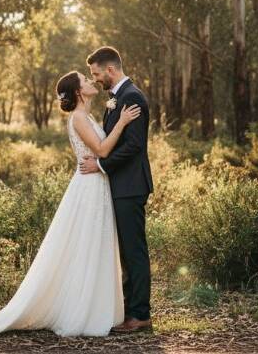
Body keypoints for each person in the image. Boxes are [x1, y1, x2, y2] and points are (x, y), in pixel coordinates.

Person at [0, 70, 141, 338]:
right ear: (78, 92)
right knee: (86, 244)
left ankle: (98, 306)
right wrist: (121, 122)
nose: (91, 81)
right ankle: (81, 308)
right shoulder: (79, 118)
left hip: (96, 184)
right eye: (85, 81)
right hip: (88, 188)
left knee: (94, 244)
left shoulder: (87, 116)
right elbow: (103, 150)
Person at [79, 46, 154, 332]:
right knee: (125, 250)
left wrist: (100, 166)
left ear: (110, 70)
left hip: (131, 185)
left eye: (96, 73)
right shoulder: (116, 99)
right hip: (121, 184)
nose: (95, 79)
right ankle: (130, 310)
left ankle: (140, 315)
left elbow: (135, 146)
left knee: (134, 250)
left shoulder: (131, 97)